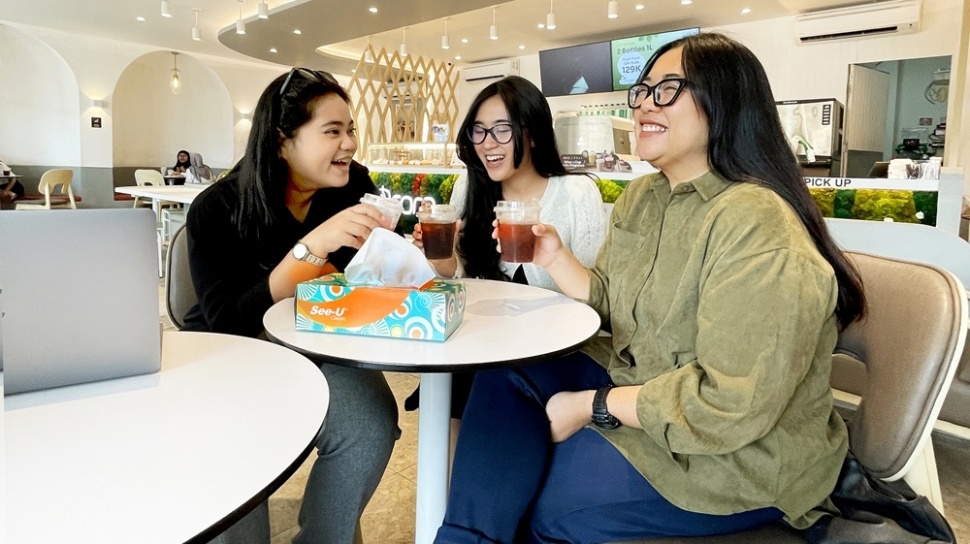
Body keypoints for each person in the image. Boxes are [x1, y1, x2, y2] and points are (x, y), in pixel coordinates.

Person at [434, 32, 866, 544]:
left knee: (545, 500)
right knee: (505, 372)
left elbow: (730, 403)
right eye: (642, 90)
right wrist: (555, 258)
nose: (642, 104)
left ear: (725, 101)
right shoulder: (644, 196)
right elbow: (611, 306)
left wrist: (591, 404)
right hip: (641, 378)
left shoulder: (757, 223)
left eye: (667, 89)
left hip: (739, 454)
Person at [184, 68, 398, 544]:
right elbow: (228, 321)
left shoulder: (352, 186)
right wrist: (311, 249)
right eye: (332, 131)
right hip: (230, 351)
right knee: (233, 441)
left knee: (369, 426)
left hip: (316, 336)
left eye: (350, 130)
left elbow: (372, 270)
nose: (349, 144)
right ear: (283, 141)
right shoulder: (218, 208)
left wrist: (403, 249)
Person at [406, 75, 606, 416]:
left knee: (470, 389)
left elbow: (596, 299)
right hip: (480, 343)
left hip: (552, 351)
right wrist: (442, 259)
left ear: (533, 134)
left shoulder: (576, 194)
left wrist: (555, 259)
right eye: (479, 131)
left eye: (502, 129)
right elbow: (459, 279)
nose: (487, 143)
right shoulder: (469, 186)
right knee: (444, 386)